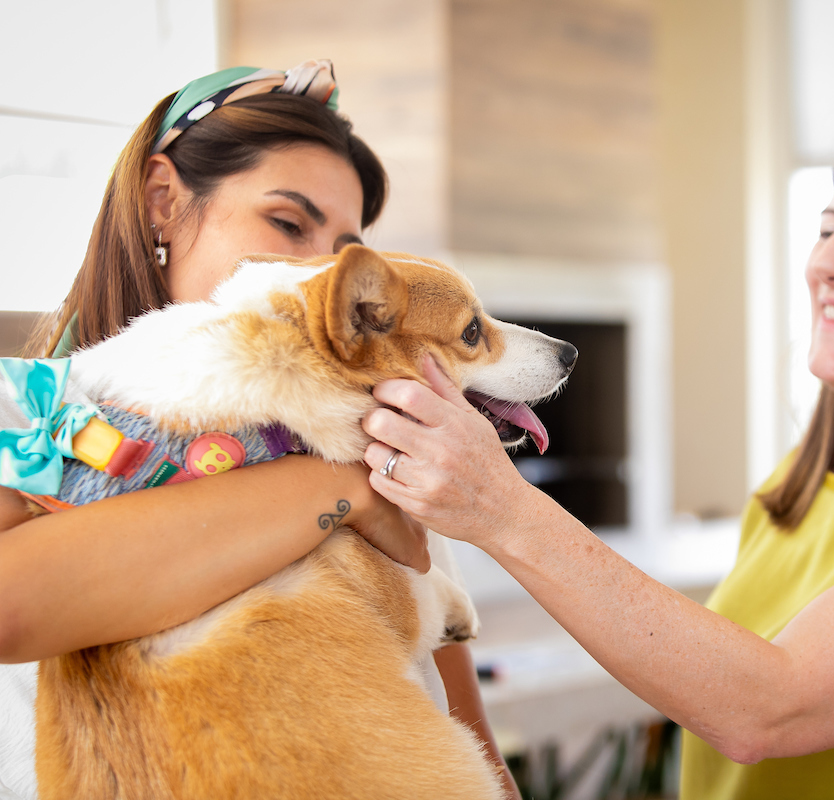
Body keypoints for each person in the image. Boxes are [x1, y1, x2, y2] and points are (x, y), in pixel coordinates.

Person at [359, 122, 834, 799]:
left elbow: (769, 709)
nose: (829, 263)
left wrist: (501, 506)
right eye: (827, 228)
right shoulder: (793, 491)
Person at [0, 60, 517, 799]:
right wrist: (344, 488)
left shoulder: (388, 459)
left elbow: (470, 748)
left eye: (345, 255)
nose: (320, 278)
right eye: (286, 223)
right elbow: (12, 603)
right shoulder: (26, 412)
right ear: (161, 203)